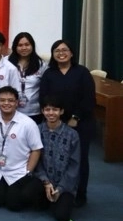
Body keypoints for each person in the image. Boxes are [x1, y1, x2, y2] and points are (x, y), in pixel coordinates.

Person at [39, 39, 95, 206]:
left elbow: (89, 98)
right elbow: (43, 97)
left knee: (79, 158)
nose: (61, 53)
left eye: (64, 50)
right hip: (54, 122)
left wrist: (75, 118)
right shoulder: (49, 74)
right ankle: (54, 188)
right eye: (57, 50)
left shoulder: (82, 72)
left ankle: (80, 193)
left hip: (80, 122)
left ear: (71, 53)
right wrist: (52, 116)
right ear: (53, 55)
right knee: (52, 156)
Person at [0, 86, 42, 211]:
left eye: (10, 100)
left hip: (19, 171)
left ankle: (31, 184)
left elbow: (36, 150)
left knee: (14, 205)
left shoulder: (28, 123)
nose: (6, 103)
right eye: (2, 100)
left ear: (17, 103)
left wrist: (27, 172)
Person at [34, 96, 80, 221]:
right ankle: (47, 198)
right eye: (47, 109)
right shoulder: (36, 130)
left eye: (55, 109)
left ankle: (58, 198)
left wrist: (60, 188)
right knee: (32, 200)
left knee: (62, 217)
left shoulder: (72, 135)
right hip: (43, 181)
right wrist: (45, 182)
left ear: (62, 111)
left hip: (64, 184)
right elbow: (35, 160)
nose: (51, 113)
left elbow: (74, 165)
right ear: (42, 111)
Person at [7, 32, 46, 122]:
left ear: (32, 46)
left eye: (27, 45)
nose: (24, 48)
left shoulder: (41, 65)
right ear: (15, 47)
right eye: (20, 45)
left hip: (34, 112)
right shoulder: (6, 62)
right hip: (11, 110)